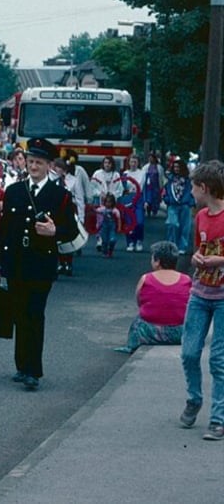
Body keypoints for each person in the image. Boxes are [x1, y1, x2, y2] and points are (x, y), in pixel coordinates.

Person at [0, 137, 77, 390]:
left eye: (39, 162)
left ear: (49, 165)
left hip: (41, 264)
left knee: (34, 314)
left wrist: (55, 231)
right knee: (19, 313)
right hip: (16, 263)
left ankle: (33, 371)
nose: (34, 167)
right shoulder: (15, 191)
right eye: (30, 162)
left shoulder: (60, 195)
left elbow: (71, 230)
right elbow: (4, 230)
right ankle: (21, 365)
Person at [179, 160, 224, 441]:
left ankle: (218, 418)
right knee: (189, 352)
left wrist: (217, 260)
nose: (191, 192)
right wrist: (197, 258)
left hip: (222, 296)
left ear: (204, 188)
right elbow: (199, 247)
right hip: (200, 291)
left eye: (193, 187)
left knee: (219, 359)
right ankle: (194, 398)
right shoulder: (200, 216)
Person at [115, 241, 190, 354]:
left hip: (150, 332)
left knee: (137, 322)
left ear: (157, 262)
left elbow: (140, 302)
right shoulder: (186, 280)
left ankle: (131, 346)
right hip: (179, 333)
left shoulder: (146, 278)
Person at [164, 159, 195, 254]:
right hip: (173, 205)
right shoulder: (170, 179)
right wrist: (167, 199)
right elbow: (165, 190)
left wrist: (191, 202)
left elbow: (192, 192)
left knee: (185, 227)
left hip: (185, 205)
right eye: (175, 167)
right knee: (172, 224)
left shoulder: (188, 180)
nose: (176, 169)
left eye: (178, 167)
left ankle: (182, 247)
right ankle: (172, 246)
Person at [122, 154, 146, 252]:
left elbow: (144, 187)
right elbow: (122, 188)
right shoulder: (125, 173)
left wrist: (146, 201)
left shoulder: (142, 173)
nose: (133, 164)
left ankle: (139, 240)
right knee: (129, 222)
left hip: (139, 198)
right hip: (128, 198)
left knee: (139, 222)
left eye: (135, 162)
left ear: (138, 163)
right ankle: (130, 242)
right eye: (131, 162)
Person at [96, 192, 122, 258]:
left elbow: (119, 219)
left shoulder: (115, 211)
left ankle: (110, 250)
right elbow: (96, 211)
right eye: (107, 202)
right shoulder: (102, 209)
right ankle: (105, 252)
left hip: (112, 228)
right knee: (104, 241)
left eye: (110, 202)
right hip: (104, 228)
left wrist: (119, 227)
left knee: (112, 240)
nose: (108, 204)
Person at [143, 152, 165, 217]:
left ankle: (155, 211)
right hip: (148, 186)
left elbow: (161, 177)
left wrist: (161, 185)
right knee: (149, 198)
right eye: (149, 158)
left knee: (156, 199)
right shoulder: (145, 167)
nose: (150, 159)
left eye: (152, 158)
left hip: (156, 186)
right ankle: (148, 210)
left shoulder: (159, 167)